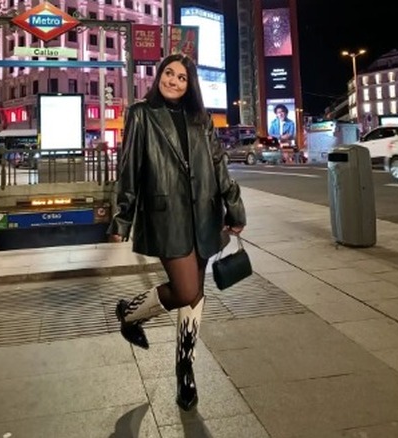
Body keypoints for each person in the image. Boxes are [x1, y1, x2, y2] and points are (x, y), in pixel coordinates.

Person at [110, 53, 246, 411]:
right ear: (158, 77)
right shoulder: (142, 114)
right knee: (185, 288)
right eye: (168, 74)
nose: (173, 81)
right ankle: (130, 313)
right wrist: (121, 218)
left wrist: (234, 206)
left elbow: (219, 165)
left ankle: (185, 367)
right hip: (166, 214)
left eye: (181, 77)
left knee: (196, 293)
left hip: (204, 214)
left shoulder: (202, 119)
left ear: (191, 84)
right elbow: (130, 170)